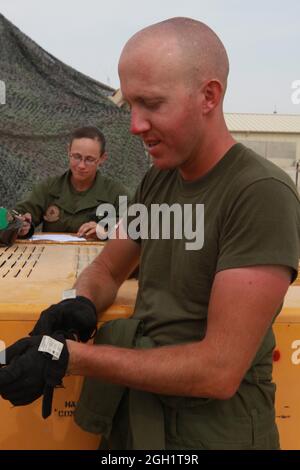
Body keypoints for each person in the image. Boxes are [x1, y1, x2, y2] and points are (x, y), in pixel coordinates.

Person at [1, 17, 300, 450]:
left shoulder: (259, 194)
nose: (135, 126)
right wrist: (80, 304)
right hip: (135, 416)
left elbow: (218, 370)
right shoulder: (159, 181)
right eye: (131, 107)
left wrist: (70, 357)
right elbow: (107, 267)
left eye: (152, 104)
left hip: (211, 432)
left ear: (208, 97)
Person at [15, 126, 131, 240]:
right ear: (68, 151)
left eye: (89, 159)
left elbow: (137, 227)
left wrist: (106, 231)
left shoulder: (116, 193)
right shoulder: (49, 188)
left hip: (96, 257)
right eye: (76, 157)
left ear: (102, 158)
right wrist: (22, 226)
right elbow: (19, 216)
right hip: (52, 255)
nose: (81, 165)